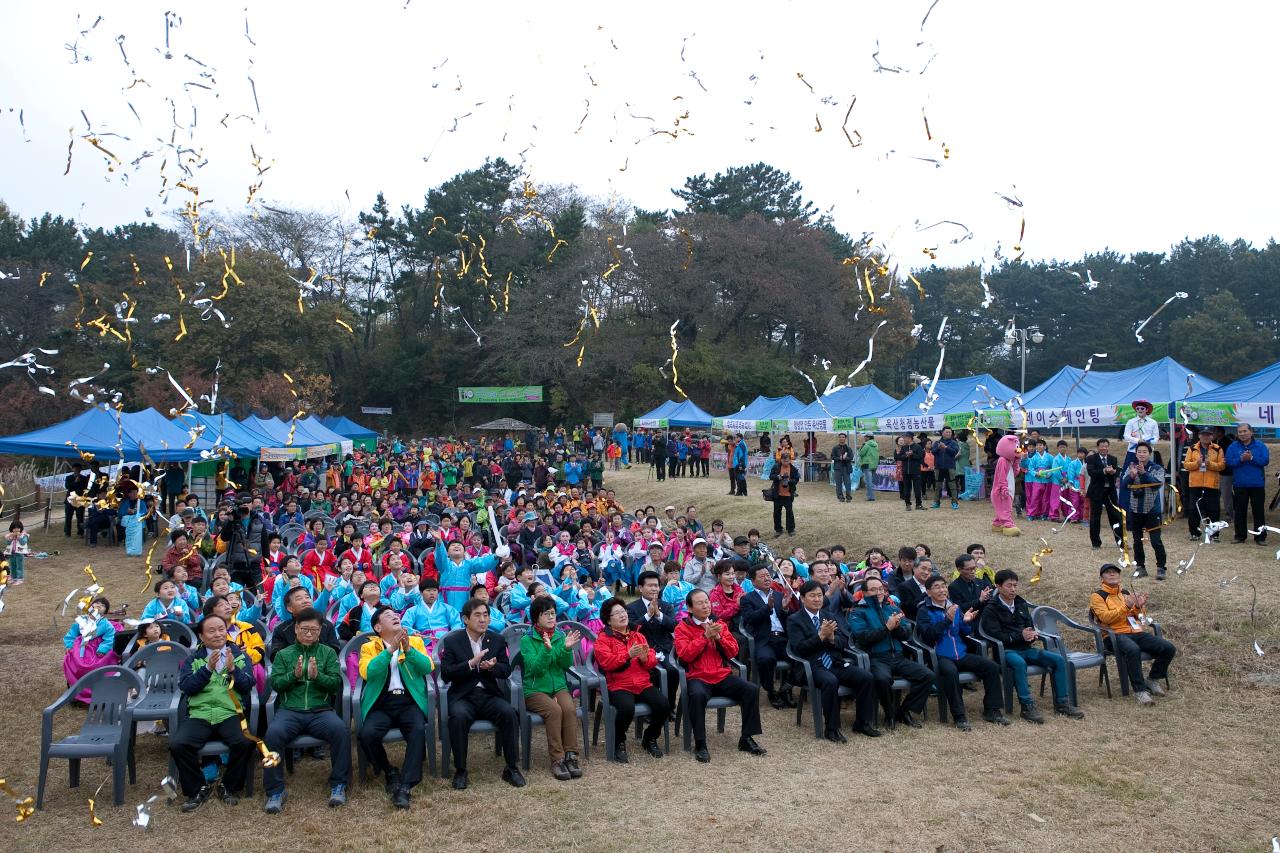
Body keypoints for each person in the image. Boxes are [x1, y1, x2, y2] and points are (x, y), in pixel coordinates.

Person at [263, 608, 350, 813]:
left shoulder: (327, 653)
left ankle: (339, 784)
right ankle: (275, 791)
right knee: (272, 736)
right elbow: (276, 684)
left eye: (314, 629)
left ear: (320, 631)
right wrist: (294, 675)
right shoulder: (284, 654)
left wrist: (317, 676)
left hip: (320, 710)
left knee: (340, 730)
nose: (309, 633)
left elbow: (335, 684)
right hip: (290, 710)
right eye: (305, 629)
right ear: (296, 629)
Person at [171, 614, 255, 813]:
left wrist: (234, 669)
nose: (218, 634)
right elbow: (188, 687)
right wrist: (207, 669)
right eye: (211, 631)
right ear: (201, 636)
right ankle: (197, 788)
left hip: (229, 712)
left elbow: (247, 685)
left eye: (221, 629)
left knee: (245, 742)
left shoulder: (239, 655)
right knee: (179, 744)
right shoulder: (193, 659)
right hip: (200, 714)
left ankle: (229, 785)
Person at [978, 569, 1084, 723]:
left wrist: (1031, 635)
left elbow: (1029, 626)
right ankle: (1027, 706)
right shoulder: (991, 608)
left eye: (1015, 585)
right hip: (1006, 652)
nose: (1013, 589)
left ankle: (1062, 703)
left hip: (1026, 649)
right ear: (998, 587)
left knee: (1058, 660)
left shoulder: (1021, 604)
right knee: (1019, 663)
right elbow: (996, 636)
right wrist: (1020, 636)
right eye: (1009, 585)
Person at [439, 598, 524, 790]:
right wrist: (470, 663)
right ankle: (461, 769)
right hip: (463, 695)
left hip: (488, 695)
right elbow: (446, 673)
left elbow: (505, 670)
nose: (483, 619)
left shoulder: (496, 639)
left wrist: (492, 668)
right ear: (465, 619)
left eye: (486, 615)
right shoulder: (452, 641)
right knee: (458, 717)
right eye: (477, 615)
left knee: (509, 713)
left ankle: (511, 767)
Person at [674, 589, 766, 763]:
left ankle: (746, 738)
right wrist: (704, 637)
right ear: (690, 608)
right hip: (697, 676)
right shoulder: (682, 627)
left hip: (721, 674)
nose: (705, 605)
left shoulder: (719, 624)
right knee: (697, 695)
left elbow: (733, 651)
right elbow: (684, 655)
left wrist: (719, 638)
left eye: (707, 601)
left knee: (751, 690)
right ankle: (700, 743)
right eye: (700, 603)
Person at [358, 606, 433, 809]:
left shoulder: (415, 641)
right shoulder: (368, 647)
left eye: (396, 615)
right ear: (378, 626)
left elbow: (428, 667)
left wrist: (407, 650)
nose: (395, 617)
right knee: (366, 734)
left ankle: (405, 786)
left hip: (409, 701)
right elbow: (368, 673)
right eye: (389, 616)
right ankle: (388, 770)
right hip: (382, 703)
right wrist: (390, 650)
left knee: (417, 730)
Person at [788, 580, 880, 741]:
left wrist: (831, 639)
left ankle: (863, 722)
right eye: (812, 596)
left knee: (866, 677)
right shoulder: (794, 619)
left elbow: (843, 643)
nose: (817, 599)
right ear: (802, 598)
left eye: (820, 595)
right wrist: (820, 637)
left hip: (833, 662)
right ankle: (832, 728)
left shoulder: (828, 615)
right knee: (830, 681)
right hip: (811, 666)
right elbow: (799, 649)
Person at [915, 576, 1008, 730]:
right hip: (940, 656)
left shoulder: (955, 607)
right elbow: (928, 635)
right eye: (937, 587)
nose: (942, 590)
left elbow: (965, 632)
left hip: (961, 654)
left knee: (991, 667)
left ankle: (992, 710)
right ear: (929, 592)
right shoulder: (924, 610)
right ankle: (959, 716)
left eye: (944, 586)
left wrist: (966, 621)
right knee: (951, 672)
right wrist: (946, 619)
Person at [848, 575, 934, 728]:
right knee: (882, 679)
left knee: (927, 675)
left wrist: (897, 627)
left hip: (898, 657)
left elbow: (907, 634)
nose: (879, 592)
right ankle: (889, 714)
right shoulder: (858, 611)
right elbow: (862, 637)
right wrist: (887, 628)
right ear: (865, 593)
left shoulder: (892, 607)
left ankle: (902, 711)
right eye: (874, 589)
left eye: (881, 589)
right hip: (876, 658)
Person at [1089, 564, 1177, 706]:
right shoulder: (1097, 596)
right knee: (1132, 649)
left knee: (1168, 648)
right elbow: (1106, 618)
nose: (1112, 574)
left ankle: (1153, 679)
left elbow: (1139, 617)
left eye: (1115, 572)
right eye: (1108, 573)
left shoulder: (1125, 592)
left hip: (1135, 632)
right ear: (1101, 578)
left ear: (1119, 576)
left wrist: (1138, 606)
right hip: (1113, 635)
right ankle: (1140, 690)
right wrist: (1127, 606)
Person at [594, 598, 669, 761]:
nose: (623, 615)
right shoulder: (603, 639)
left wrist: (644, 658)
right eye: (617, 613)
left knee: (663, 705)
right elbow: (606, 663)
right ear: (608, 620)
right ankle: (618, 742)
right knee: (627, 708)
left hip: (642, 683)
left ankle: (650, 738)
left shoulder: (637, 635)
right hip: (618, 685)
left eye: (623, 611)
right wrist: (627, 656)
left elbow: (651, 661)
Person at [519, 598, 584, 781]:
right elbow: (534, 668)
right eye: (545, 613)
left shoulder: (559, 635)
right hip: (534, 690)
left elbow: (565, 665)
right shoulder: (527, 639)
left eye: (553, 613)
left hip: (558, 686)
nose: (550, 617)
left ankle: (571, 755)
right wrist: (547, 651)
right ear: (535, 617)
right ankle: (557, 759)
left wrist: (565, 649)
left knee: (569, 709)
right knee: (554, 710)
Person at [739, 565, 795, 709]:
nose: (767, 578)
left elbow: (789, 618)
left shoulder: (779, 594)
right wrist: (767, 608)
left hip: (783, 638)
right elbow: (750, 619)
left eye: (768, 575)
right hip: (764, 639)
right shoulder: (747, 598)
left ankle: (786, 688)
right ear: (753, 581)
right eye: (762, 576)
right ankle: (771, 691)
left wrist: (785, 609)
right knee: (765, 659)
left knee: (801, 655)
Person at [626, 569, 680, 712]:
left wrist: (659, 615)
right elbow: (631, 629)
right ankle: (650, 708)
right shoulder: (631, 608)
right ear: (640, 588)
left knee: (673, 671)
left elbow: (674, 626)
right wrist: (648, 615)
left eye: (656, 585)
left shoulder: (666, 606)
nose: (654, 588)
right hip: (642, 650)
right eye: (650, 585)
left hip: (664, 648)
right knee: (652, 673)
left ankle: (669, 706)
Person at [1120, 442, 1168, 580]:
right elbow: (1124, 485)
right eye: (1139, 452)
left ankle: (1161, 568)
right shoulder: (1131, 467)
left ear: (1149, 453)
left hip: (1152, 510)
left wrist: (1144, 473)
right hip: (1135, 509)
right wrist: (1132, 476)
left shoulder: (1157, 468)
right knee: (1137, 540)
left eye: (1144, 451)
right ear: (1136, 454)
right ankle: (1140, 567)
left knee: (1155, 540)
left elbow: (1156, 485)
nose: (1142, 454)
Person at [62, 596, 118, 700]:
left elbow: (110, 637)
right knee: (75, 663)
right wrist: (69, 645)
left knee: (95, 667)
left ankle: (95, 691)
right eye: (97, 603)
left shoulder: (105, 624)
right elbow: (72, 633)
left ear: (105, 611)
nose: (99, 606)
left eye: (103, 606)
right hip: (81, 647)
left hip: (96, 649)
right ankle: (75, 690)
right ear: (91, 606)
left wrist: (103, 649)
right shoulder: (82, 620)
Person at [1225, 422, 1269, 545]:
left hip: (1257, 484)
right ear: (1237, 434)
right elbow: (1229, 462)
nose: (1243, 434)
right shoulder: (1233, 447)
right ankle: (1240, 536)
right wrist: (1240, 459)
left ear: (1251, 432)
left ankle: (1260, 537)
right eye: (1240, 432)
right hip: (1240, 484)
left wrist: (1252, 458)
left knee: (1258, 511)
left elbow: (1265, 461)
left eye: (1245, 431)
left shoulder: (1260, 446)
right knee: (1239, 511)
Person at [1183, 428, 1226, 541]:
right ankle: (1195, 533)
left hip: (1212, 484)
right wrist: (1197, 463)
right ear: (1199, 436)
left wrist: (1210, 464)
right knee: (1194, 510)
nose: (1206, 437)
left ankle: (1214, 534)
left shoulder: (1218, 449)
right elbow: (1186, 465)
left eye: (1208, 435)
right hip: (1195, 484)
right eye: (1203, 435)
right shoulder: (1192, 449)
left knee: (1213, 510)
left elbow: (1222, 466)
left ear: (1212, 437)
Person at [1120, 400, 1160, 510]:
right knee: (1128, 476)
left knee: (1147, 475)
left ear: (1147, 410)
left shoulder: (1153, 422)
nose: (1139, 411)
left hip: (1147, 453)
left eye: (1142, 408)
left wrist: (1147, 442)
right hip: (1133, 452)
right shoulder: (1131, 421)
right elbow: (1126, 436)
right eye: (1137, 409)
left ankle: (1148, 504)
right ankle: (1124, 505)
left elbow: (1156, 438)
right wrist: (1138, 440)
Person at [1085, 438, 1122, 549]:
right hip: (1096, 491)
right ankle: (1096, 543)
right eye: (1102, 446)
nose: (1104, 448)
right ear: (1098, 447)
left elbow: (1118, 471)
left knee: (1115, 517)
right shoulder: (1091, 458)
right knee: (1095, 518)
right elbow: (1091, 472)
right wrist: (1104, 471)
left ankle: (1120, 542)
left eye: (1106, 446)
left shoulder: (1113, 459)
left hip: (1110, 492)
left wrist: (1114, 472)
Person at [769, 450, 800, 537]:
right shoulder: (776, 467)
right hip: (778, 494)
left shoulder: (793, 469)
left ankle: (791, 529)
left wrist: (789, 481)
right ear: (781, 460)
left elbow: (796, 479)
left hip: (788, 495)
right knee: (776, 512)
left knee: (789, 512)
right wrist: (777, 477)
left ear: (790, 460)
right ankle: (778, 529)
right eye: (784, 460)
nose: (785, 462)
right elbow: (770, 476)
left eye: (787, 460)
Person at [930, 428, 960, 510]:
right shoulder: (937, 443)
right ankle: (936, 502)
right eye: (947, 432)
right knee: (937, 486)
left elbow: (955, 452)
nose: (948, 433)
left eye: (950, 432)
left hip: (950, 467)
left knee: (952, 486)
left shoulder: (954, 443)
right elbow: (933, 452)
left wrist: (946, 447)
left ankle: (954, 503)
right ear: (942, 433)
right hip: (938, 467)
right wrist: (939, 448)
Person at [894, 434, 924, 511]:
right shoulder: (903, 448)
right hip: (905, 471)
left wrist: (912, 454)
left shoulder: (918, 447)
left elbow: (920, 457)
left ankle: (918, 504)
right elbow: (899, 457)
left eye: (905, 438)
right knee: (907, 488)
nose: (904, 440)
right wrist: (906, 456)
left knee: (917, 488)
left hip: (915, 471)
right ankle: (907, 504)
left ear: (910, 438)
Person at [830, 433, 854, 503]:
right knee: (838, 483)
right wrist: (839, 458)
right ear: (839, 438)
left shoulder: (848, 448)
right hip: (838, 467)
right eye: (840, 437)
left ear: (845, 438)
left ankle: (848, 496)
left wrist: (845, 458)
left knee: (848, 483)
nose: (841, 438)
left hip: (846, 467)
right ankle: (840, 496)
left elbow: (851, 457)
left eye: (843, 437)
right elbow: (832, 456)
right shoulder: (835, 448)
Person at [858, 434, 880, 502]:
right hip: (874, 464)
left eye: (865, 436)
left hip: (867, 464)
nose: (864, 438)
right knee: (870, 481)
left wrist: (860, 448)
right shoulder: (876, 444)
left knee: (868, 482)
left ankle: (871, 497)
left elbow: (861, 453)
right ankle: (870, 495)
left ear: (868, 437)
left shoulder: (866, 444)